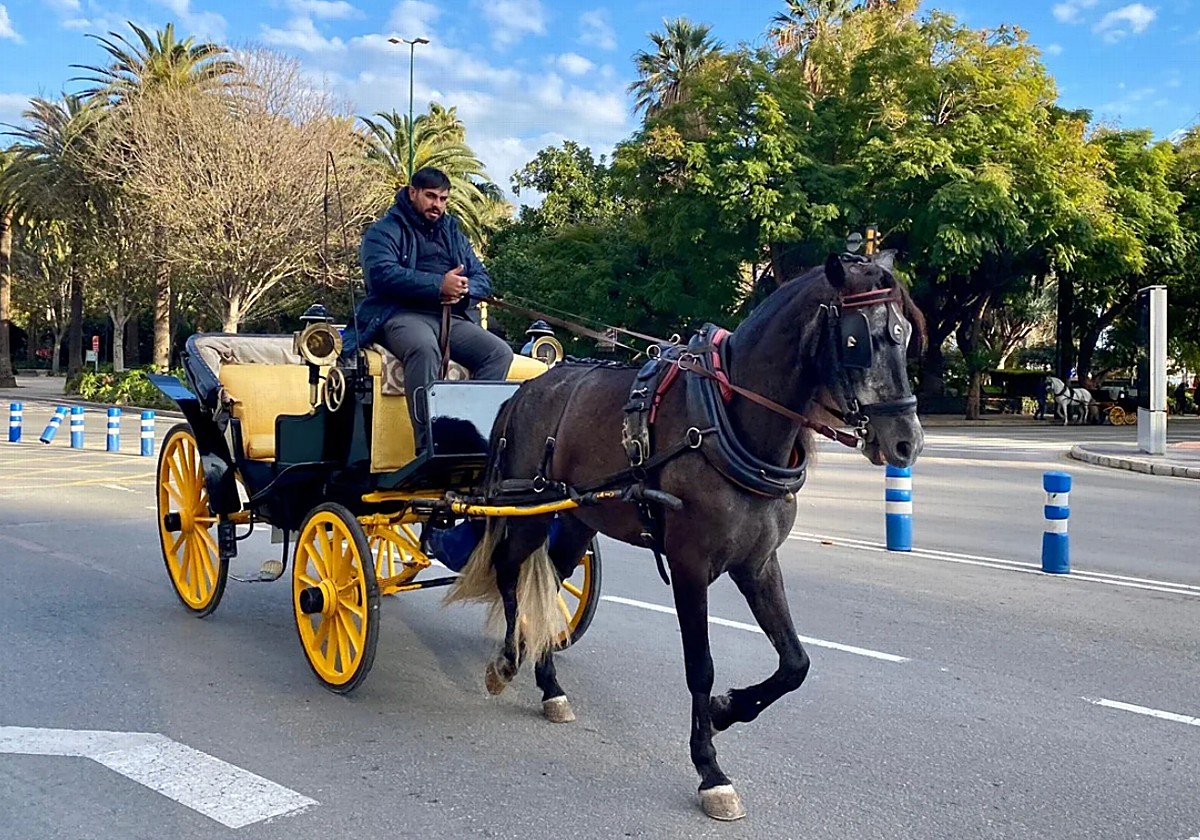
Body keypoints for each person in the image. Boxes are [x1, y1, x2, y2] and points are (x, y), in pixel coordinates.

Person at [342, 166, 514, 449]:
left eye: (443, 199)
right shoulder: (383, 231)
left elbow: (483, 278)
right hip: (397, 314)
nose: (437, 205)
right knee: (423, 349)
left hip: (449, 317)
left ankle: (470, 436)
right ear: (413, 193)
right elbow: (381, 275)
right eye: (431, 196)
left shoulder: (453, 232)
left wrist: (462, 288)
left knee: (499, 353)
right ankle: (429, 444)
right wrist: (438, 285)